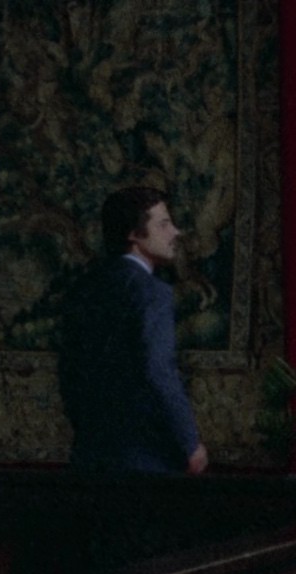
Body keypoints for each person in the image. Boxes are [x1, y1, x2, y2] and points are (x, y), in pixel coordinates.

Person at [57, 186, 209, 474]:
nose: (175, 232)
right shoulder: (151, 292)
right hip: (146, 460)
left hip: (89, 456)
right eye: (163, 224)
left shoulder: (83, 288)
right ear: (133, 234)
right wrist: (190, 443)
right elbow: (158, 370)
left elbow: (69, 370)